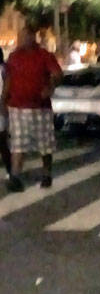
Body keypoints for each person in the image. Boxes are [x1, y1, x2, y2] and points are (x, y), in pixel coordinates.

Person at [2, 21, 62, 191]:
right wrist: (3, 100)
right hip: (17, 107)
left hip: (39, 107)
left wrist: (50, 87)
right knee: (18, 143)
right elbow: (8, 79)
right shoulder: (14, 57)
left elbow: (57, 74)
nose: (20, 39)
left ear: (32, 37)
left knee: (45, 143)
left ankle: (47, 173)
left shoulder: (44, 55)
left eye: (23, 36)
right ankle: (15, 177)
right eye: (19, 36)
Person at [0, 48, 11, 176]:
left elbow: (7, 86)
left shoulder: (3, 69)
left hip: (1, 107)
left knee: (2, 140)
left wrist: (3, 102)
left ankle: (10, 169)